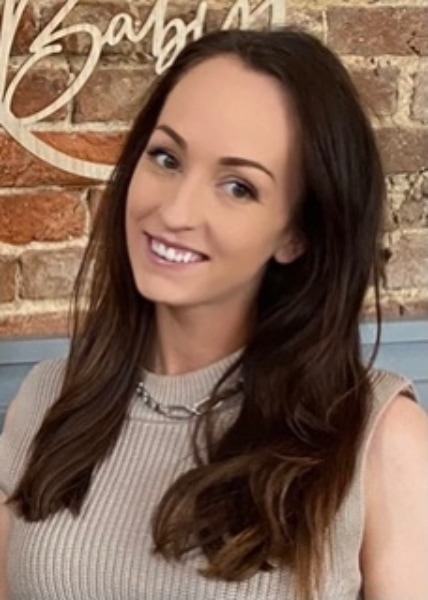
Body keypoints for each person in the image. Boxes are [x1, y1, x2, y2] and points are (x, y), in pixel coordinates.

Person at [1, 26, 427, 600]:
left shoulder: (379, 439)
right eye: (166, 158)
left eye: (238, 187)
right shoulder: (48, 400)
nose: (175, 211)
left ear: (297, 233)